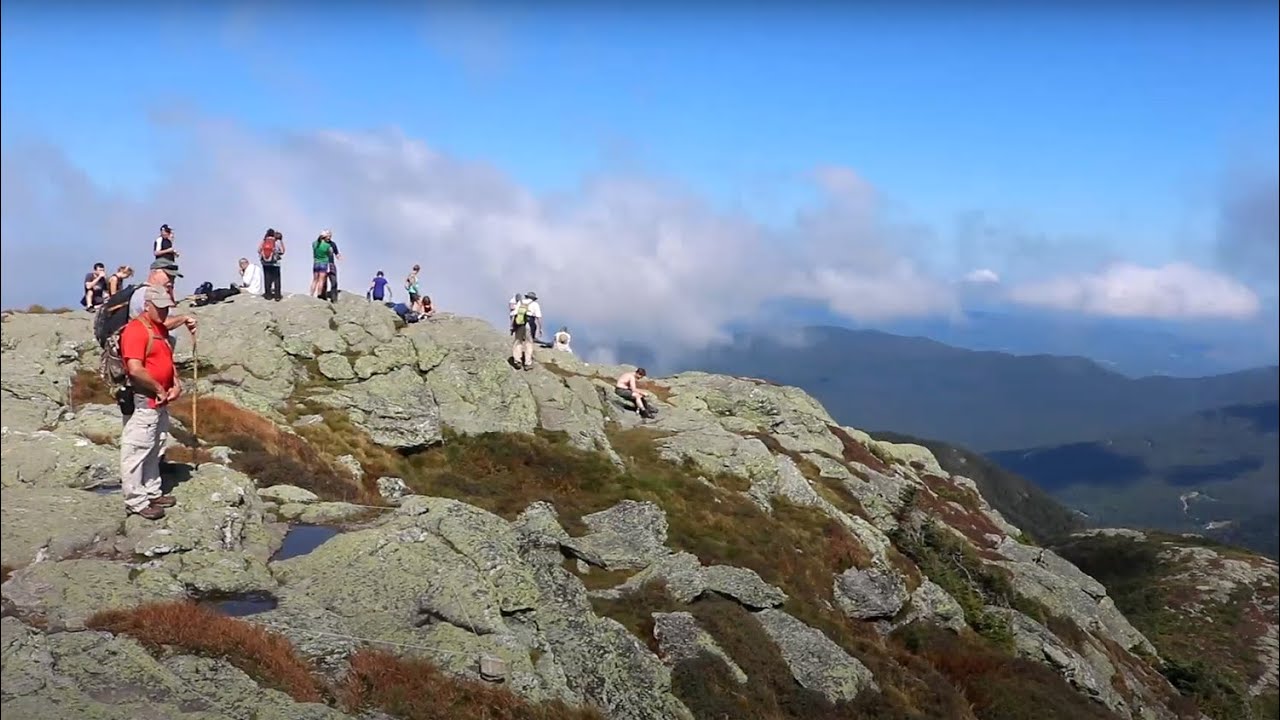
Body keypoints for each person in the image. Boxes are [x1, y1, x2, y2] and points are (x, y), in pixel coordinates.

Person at [119, 285, 182, 520]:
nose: (164, 312)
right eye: (160, 308)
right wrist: (157, 387)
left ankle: (152, 491)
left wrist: (175, 383)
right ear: (147, 306)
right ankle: (136, 501)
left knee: (155, 446)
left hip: (159, 401)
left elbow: (166, 359)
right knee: (137, 449)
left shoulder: (159, 330)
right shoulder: (135, 330)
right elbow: (135, 369)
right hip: (143, 400)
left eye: (167, 308)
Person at [509, 291, 541, 371]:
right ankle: (527, 363)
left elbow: (514, 314)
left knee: (518, 341)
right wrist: (540, 328)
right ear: (534, 298)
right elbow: (538, 317)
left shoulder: (520, 302)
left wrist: (512, 326)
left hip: (519, 323)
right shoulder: (535, 304)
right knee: (529, 343)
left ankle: (517, 361)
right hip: (529, 324)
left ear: (526, 296)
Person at [259, 229, 285, 301]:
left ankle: (268, 295)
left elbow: (259, 250)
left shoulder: (264, 241)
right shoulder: (277, 241)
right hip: (275, 263)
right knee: (277, 279)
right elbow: (282, 251)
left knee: (267, 278)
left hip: (265, 263)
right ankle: (277, 296)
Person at [310, 231, 334, 298]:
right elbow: (331, 253)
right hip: (324, 263)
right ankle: (319, 295)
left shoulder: (314, 244)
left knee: (315, 280)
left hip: (316, 263)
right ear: (325, 237)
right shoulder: (327, 246)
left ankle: (311, 294)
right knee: (321, 281)